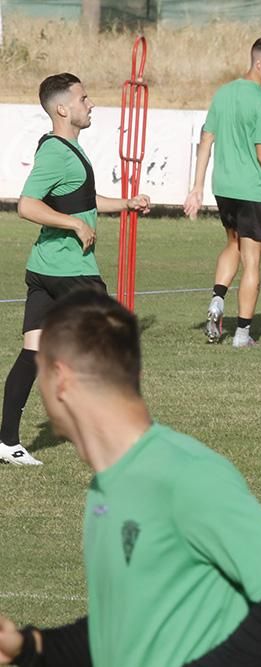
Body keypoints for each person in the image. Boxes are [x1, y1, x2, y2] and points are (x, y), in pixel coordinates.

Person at [0, 290, 261, 665]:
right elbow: (123, 631)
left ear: (60, 379)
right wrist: (29, 647)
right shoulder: (105, 488)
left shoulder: (186, 475)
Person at [0, 72, 151, 467]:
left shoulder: (68, 150)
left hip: (44, 268)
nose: (91, 104)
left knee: (33, 352)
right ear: (63, 109)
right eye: (84, 98)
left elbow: (82, 199)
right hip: (70, 269)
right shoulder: (55, 152)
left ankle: (7, 442)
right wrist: (75, 225)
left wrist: (126, 203)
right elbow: (27, 205)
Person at [183, 36, 261, 349]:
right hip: (251, 190)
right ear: (259, 63)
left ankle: (217, 300)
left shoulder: (223, 93)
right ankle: (242, 334)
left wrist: (197, 188)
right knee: (253, 261)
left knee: (232, 243)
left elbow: (206, 140)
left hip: (223, 187)